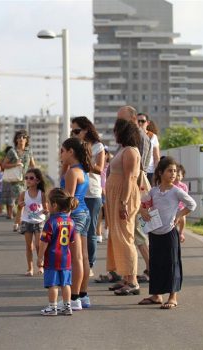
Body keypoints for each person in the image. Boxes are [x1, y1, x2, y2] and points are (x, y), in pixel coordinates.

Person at [138, 157, 196, 309]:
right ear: (160, 172)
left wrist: (179, 214)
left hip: (169, 232)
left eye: (175, 171)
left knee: (172, 263)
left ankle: (173, 296)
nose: (173, 174)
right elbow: (142, 203)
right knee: (155, 263)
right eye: (170, 171)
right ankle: (156, 295)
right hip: (154, 232)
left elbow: (192, 204)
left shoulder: (177, 191)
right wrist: (143, 211)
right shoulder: (154, 191)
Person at [106, 118, 141, 296]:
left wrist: (123, 202)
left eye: (117, 130)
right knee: (117, 236)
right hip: (116, 196)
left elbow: (129, 179)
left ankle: (133, 280)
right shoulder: (124, 150)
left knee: (126, 236)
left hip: (123, 197)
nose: (114, 134)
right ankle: (126, 277)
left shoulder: (131, 152)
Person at [117, 106, 151, 285]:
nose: (118, 122)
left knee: (135, 232)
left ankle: (149, 269)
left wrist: (130, 196)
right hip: (131, 189)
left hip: (134, 189)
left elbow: (137, 171)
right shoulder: (130, 137)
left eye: (121, 119)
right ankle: (127, 275)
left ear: (132, 118)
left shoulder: (138, 137)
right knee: (133, 232)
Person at [71, 117, 105, 278]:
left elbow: (100, 169)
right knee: (75, 230)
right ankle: (76, 263)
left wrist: (85, 161)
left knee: (90, 230)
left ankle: (89, 264)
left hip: (92, 192)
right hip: (76, 192)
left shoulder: (98, 146)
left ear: (86, 130)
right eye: (73, 131)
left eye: (77, 131)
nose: (74, 134)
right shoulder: (74, 146)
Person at [59, 137, 91, 310]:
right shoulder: (80, 170)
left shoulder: (72, 172)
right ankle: (83, 295)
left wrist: (63, 221)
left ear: (71, 151)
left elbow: (69, 200)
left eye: (62, 151)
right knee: (83, 256)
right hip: (84, 213)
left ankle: (74, 298)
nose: (60, 154)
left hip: (75, 215)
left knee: (75, 258)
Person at [37, 188, 78, 316]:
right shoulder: (71, 222)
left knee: (53, 284)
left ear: (54, 205)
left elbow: (44, 242)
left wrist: (40, 258)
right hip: (66, 258)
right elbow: (72, 241)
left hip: (52, 258)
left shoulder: (50, 223)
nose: (47, 205)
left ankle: (52, 307)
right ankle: (67, 306)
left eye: (48, 203)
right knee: (66, 283)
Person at [16, 168, 48, 276]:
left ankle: (40, 266)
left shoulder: (41, 194)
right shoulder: (23, 194)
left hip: (39, 222)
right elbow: (19, 209)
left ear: (37, 181)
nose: (28, 180)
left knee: (39, 245)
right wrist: (20, 207)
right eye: (26, 178)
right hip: (27, 222)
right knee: (29, 246)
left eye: (31, 178)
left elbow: (45, 207)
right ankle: (30, 268)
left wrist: (46, 210)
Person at [1, 130, 36, 228]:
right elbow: (3, 165)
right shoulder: (12, 151)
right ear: (16, 139)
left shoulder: (29, 151)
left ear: (26, 140)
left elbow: (33, 165)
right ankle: (22, 224)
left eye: (24, 137)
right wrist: (15, 164)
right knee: (23, 201)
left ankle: (17, 223)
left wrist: (35, 177)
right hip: (16, 181)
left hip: (27, 181)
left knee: (22, 204)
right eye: (19, 137)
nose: (21, 139)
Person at [138, 113, 160, 185]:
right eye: (138, 121)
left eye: (142, 121)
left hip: (149, 172)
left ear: (148, 123)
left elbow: (156, 157)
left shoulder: (153, 136)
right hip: (135, 170)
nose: (140, 123)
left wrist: (157, 174)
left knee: (148, 194)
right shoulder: (132, 136)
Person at [174, 164, 189, 235]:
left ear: (182, 176)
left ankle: (181, 232)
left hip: (180, 206)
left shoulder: (183, 186)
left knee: (183, 218)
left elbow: (185, 197)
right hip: (172, 207)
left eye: (179, 175)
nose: (177, 177)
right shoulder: (170, 185)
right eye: (175, 174)